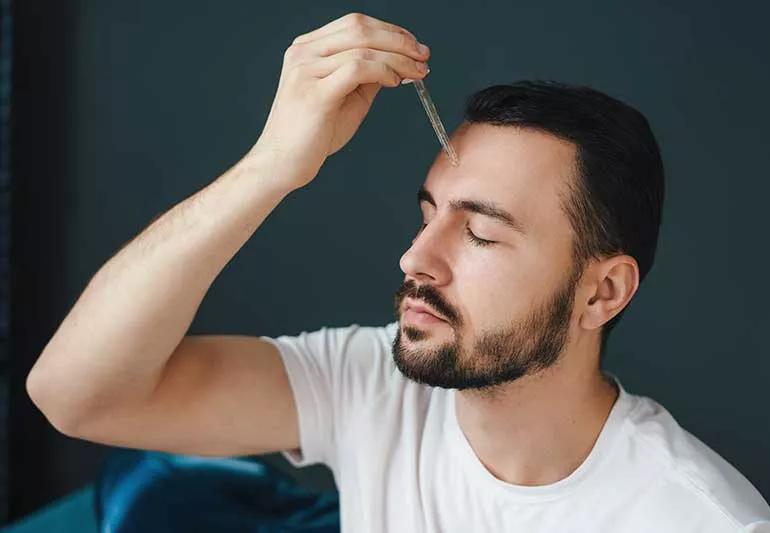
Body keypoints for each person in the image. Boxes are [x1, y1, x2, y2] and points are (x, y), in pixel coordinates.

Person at [25, 12, 769, 533]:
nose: (416, 258)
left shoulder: (699, 519)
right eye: (427, 214)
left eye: (478, 232)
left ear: (601, 291)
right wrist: (272, 168)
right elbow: (75, 394)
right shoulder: (374, 385)